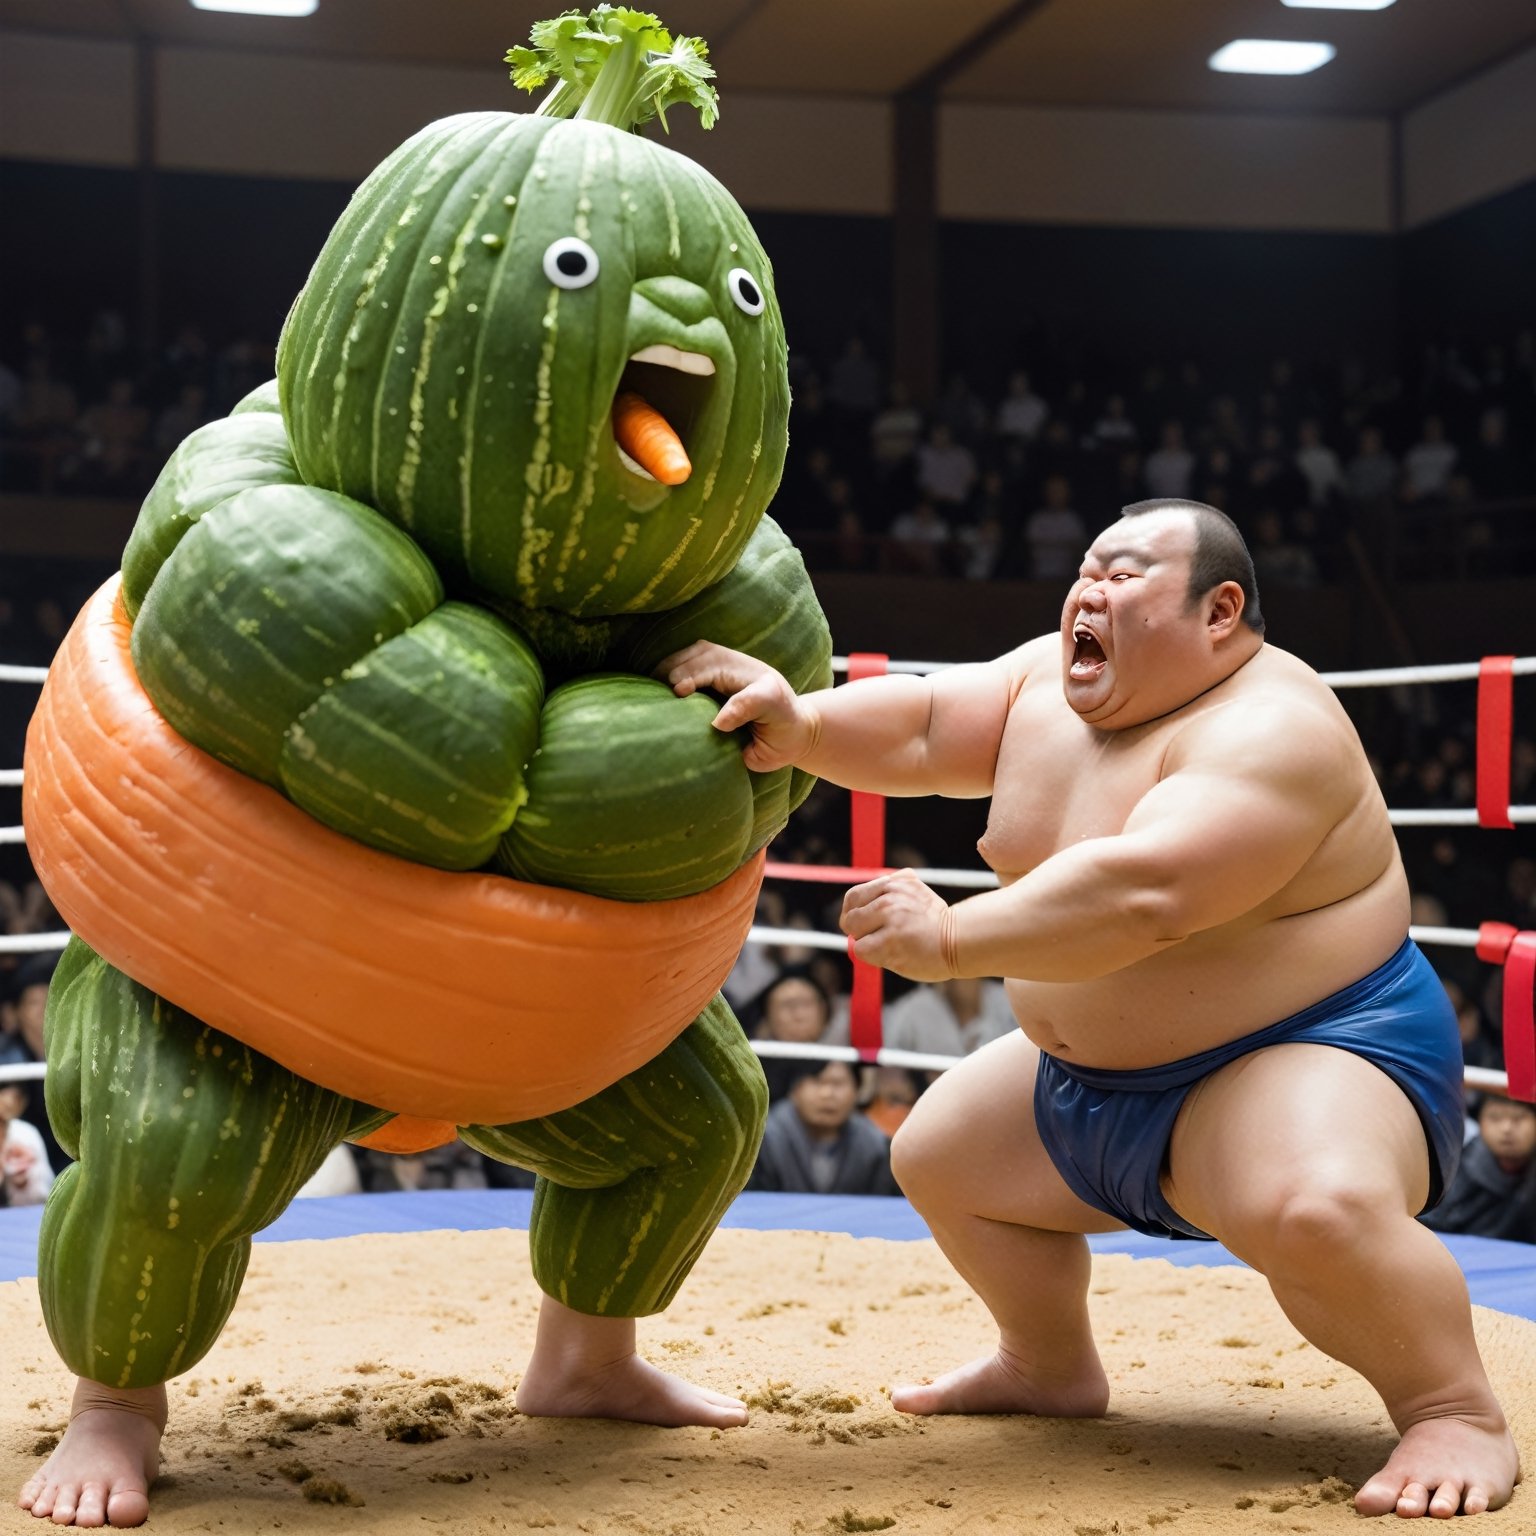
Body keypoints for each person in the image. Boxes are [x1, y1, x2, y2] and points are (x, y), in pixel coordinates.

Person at [665, 497, 1520, 1519]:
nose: (1090, 589)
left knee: (1318, 1210)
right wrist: (802, 723)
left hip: (1307, 1049)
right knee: (940, 1157)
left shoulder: (1273, 730)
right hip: (1091, 1076)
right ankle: (1047, 1363)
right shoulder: (1044, 685)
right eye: (1087, 569)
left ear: (1220, 611)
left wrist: (953, 939)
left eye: (1125, 574)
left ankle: (1453, 1408)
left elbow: (1144, 896)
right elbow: (932, 725)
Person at [748, 1059, 899, 1196]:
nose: (827, 1094)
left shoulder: (874, 1145)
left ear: (857, 1091)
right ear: (795, 1090)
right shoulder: (765, 1140)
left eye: (837, 1083)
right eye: (817, 1081)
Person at [1422, 1096, 1536, 1245]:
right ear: (1480, 1122)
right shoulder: (1457, 1169)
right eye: (1495, 1118)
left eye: (1519, 1118)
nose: (1506, 1128)